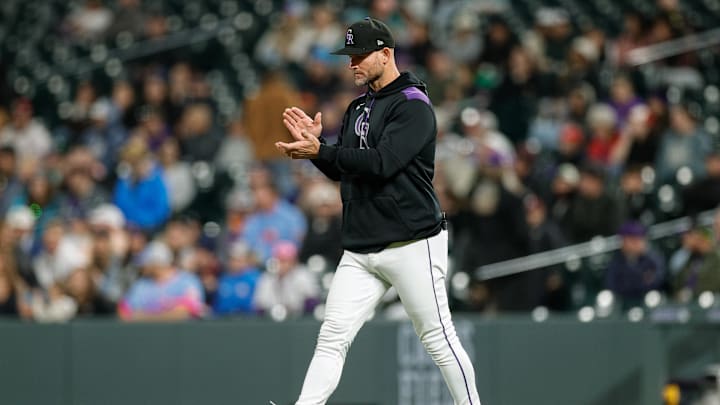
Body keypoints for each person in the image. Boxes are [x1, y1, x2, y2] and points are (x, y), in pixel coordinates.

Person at [276, 17, 481, 405]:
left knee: (438, 339)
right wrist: (317, 150)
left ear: (386, 54)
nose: (351, 63)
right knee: (332, 336)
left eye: (359, 55)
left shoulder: (413, 105)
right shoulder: (358, 106)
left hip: (412, 241)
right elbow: (344, 168)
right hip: (361, 246)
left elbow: (383, 163)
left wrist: (323, 151)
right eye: (349, 56)